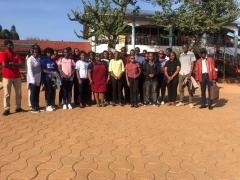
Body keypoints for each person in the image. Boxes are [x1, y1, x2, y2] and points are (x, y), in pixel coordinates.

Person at [0, 40, 23, 116]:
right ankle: (7, 109)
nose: (11, 46)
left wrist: (12, 63)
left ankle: (18, 107)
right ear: (6, 46)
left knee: (19, 93)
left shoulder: (16, 54)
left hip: (17, 77)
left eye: (12, 45)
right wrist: (14, 64)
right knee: (7, 93)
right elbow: (4, 64)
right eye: (9, 45)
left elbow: (20, 64)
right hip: (7, 77)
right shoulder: (3, 53)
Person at [41, 47, 58, 112]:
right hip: (47, 79)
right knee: (48, 91)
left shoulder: (53, 61)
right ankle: (47, 105)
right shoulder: (44, 60)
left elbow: (55, 69)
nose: (49, 54)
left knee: (52, 92)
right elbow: (43, 69)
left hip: (53, 79)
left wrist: (55, 76)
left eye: (50, 53)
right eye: (48, 53)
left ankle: (51, 104)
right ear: (46, 53)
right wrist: (50, 72)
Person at [27, 45, 42, 113]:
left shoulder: (38, 59)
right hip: (32, 80)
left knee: (37, 93)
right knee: (33, 93)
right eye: (35, 52)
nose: (36, 53)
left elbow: (39, 69)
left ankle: (37, 106)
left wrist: (38, 80)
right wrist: (33, 80)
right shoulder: (30, 59)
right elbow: (30, 71)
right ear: (32, 52)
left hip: (38, 79)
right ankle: (33, 107)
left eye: (37, 52)